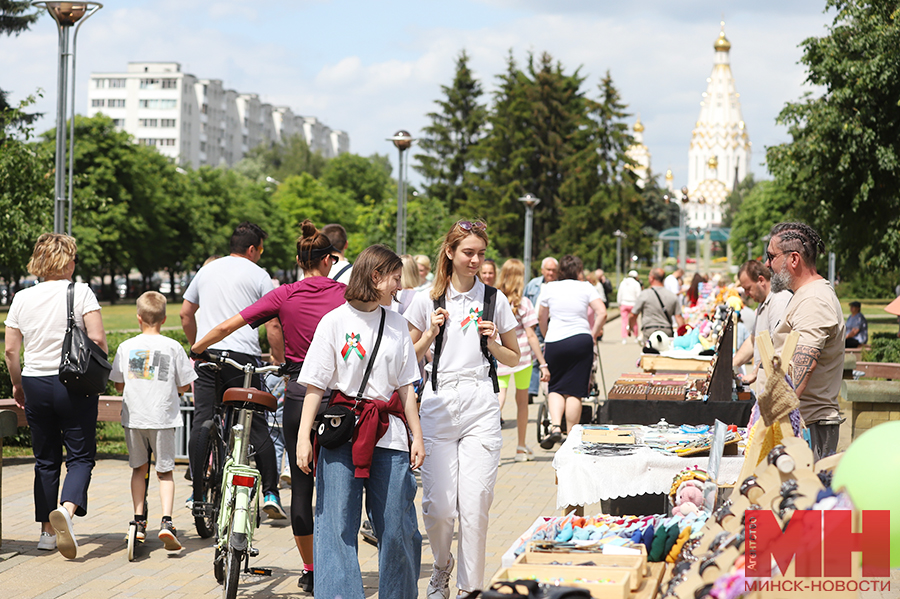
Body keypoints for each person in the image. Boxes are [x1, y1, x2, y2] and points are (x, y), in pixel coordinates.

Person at [191, 220, 345, 593]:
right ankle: (339, 566)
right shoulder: (345, 293)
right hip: (339, 403)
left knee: (303, 488)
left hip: (297, 399)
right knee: (340, 488)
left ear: (298, 259)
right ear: (329, 260)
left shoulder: (285, 295)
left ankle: (309, 570)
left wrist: (198, 347)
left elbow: (230, 325)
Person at [294, 245, 425, 599]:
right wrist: (304, 437)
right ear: (375, 277)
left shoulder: (397, 323)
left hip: (390, 437)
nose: (400, 285)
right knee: (336, 526)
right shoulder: (334, 322)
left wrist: (417, 436)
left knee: (398, 528)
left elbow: (406, 387)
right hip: (342, 436)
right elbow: (316, 385)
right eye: (395, 278)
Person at [405, 220, 520, 599]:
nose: (475, 260)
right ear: (450, 253)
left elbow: (513, 356)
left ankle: (471, 588)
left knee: (475, 504)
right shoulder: (426, 299)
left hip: (480, 402)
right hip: (438, 402)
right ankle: (441, 566)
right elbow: (408, 360)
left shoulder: (494, 299)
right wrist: (429, 335)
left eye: (481, 254)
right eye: (468, 252)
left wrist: (493, 342)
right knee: (439, 507)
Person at [3, 233, 108, 558]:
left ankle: (47, 534)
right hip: (73, 383)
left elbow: (10, 350)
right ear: (67, 261)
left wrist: (17, 384)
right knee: (80, 456)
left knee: (45, 460)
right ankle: (66, 508)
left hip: (34, 383)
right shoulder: (81, 292)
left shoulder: (21, 297)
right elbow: (98, 339)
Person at [180, 222, 286, 521]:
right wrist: (278, 360)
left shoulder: (207, 270)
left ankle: (197, 490)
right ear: (253, 249)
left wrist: (197, 346)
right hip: (243, 360)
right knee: (256, 425)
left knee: (202, 421)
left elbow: (186, 313)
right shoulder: (260, 275)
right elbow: (273, 324)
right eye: (261, 250)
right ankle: (270, 492)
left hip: (207, 356)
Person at [110, 291, 196, 551]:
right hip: (163, 416)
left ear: (138, 318)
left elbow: (117, 384)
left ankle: (137, 522)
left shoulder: (126, 347)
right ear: (164, 318)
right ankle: (167, 521)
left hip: (135, 417)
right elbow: (184, 385)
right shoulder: (173, 346)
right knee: (165, 472)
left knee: (139, 469)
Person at [766, 222, 845, 462]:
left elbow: (803, 366)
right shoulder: (805, 295)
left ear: (793, 259)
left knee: (805, 498)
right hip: (801, 424)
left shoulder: (814, 300)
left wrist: (769, 418)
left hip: (809, 428)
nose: (767, 264)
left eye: (771, 256)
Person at [537, 255, 606, 449]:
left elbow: (541, 317)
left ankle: (556, 427)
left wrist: (546, 335)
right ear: (578, 271)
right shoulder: (585, 287)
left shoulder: (549, 288)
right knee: (575, 390)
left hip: (555, 340)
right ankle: (572, 434)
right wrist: (592, 334)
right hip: (580, 340)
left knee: (555, 386)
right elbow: (602, 312)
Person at [495, 259, 550, 461]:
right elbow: (532, 335)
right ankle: (520, 447)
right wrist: (542, 362)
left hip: (500, 355)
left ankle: (495, 451)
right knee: (522, 403)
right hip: (523, 357)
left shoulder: (494, 299)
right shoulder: (524, 303)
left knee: (498, 400)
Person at [732, 260, 792, 393]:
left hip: (777, 388)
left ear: (761, 280)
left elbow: (776, 347)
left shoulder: (779, 301)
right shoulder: (763, 302)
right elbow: (753, 341)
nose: (746, 294)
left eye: (748, 288)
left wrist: (754, 373)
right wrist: (732, 363)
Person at [523, 257, 558, 400]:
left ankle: (552, 389)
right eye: (548, 270)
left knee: (551, 357)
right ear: (543, 270)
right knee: (534, 358)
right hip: (535, 325)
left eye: (553, 270)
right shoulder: (533, 285)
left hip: (553, 325)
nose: (550, 273)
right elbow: (524, 301)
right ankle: (531, 391)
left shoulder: (560, 286)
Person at [629, 268, 685, 342]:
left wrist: (630, 327)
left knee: (649, 353)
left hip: (649, 331)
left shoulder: (644, 294)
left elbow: (633, 315)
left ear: (652, 278)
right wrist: (683, 334)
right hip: (667, 331)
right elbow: (678, 317)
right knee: (666, 352)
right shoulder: (672, 295)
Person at [617, 270, 642, 343]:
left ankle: (624, 338)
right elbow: (639, 295)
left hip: (624, 303)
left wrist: (619, 303)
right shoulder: (636, 284)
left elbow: (619, 294)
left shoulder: (623, 283)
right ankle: (636, 336)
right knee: (634, 321)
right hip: (633, 304)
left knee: (624, 321)